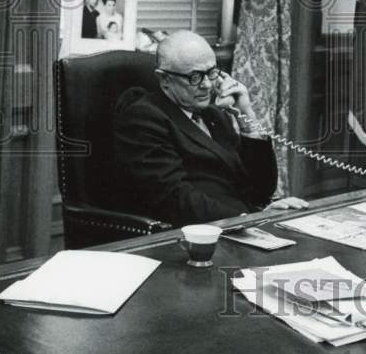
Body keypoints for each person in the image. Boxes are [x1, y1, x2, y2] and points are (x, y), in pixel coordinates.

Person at [114, 30, 307, 225]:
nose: (207, 85)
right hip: (195, 234)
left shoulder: (213, 113)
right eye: (195, 77)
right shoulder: (143, 118)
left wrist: (246, 113)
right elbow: (174, 198)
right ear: (164, 79)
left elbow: (260, 190)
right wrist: (246, 220)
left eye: (212, 72)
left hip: (240, 224)